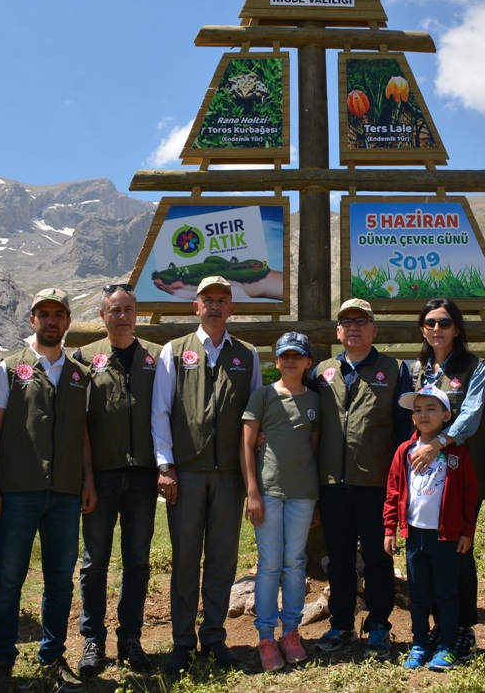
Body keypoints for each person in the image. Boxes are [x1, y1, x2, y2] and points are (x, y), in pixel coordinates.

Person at [0, 288, 96, 693]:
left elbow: (82, 432)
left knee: (59, 580)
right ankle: (2, 661)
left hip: (64, 492)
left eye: (58, 314)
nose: (51, 321)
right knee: (8, 577)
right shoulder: (9, 367)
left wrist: (87, 479)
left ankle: (52, 656)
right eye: (43, 314)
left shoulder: (80, 373)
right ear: (32, 320)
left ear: (67, 321)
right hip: (17, 490)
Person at [151, 275, 262, 674]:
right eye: (207, 300)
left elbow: (254, 416)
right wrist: (165, 466)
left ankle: (213, 635)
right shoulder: (174, 351)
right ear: (195, 307)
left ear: (232, 307)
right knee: (184, 560)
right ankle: (182, 640)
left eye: (222, 300)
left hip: (230, 476)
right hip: (187, 473)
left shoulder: (247, 355)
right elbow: (160, 412)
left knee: (221, 559)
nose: (214, 306)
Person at [313, 298, 412, 659]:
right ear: (338, 331)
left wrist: (401, 481)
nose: (353, 326)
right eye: (345, 321)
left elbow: (404, 429)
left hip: (377, 485)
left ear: (374, 329)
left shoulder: (395, 369)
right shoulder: (323, 370)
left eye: (361, 320)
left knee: (377, 558)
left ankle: (379, 626)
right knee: (338, 559)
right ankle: (341, 624)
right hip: (332, 484)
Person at [71, 283, 161, 674]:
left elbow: (168, 415)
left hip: (142, 476)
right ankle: (93, 639)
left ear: (136, 312)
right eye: (114, 309)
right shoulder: (84, 359)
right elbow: (80, 426)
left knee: (137, 561)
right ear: (102, 314)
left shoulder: (157, 358)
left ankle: (131, 637)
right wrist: (86, 477)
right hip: (101, 476)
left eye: (127, 308)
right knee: (94, 562)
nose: (121, 315)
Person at [407, 297, 485, 660]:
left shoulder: (475, 367)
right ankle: (430, 632)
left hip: (460, 473)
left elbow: (471, 415)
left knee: (458, 551)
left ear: (457, 327)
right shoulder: (417, 369)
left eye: (444, 322)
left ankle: (460, 630)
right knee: (424, 553)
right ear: (422, 329)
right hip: (422, 478)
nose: (436, 329)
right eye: (430, 323)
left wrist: (439, 443)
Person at [240, 332, 319, 672]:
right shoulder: (263, 396)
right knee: (270, 563)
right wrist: (252, 491)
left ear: (307, 362)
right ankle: (265, 637)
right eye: (284, 355)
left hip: (303, 494)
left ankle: (291, 632)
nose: (290, 361)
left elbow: (313, 449)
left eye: (297, 356)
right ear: (275, 361)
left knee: (295, 562)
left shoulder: (315, 400)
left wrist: (315, 498)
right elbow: (246, 445)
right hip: (268, 494)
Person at [384, 386, 477, 673]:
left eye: (431, 409)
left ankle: (447, 646)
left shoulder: (457, 453)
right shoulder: (404, 451)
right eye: (417, 410)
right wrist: (390, 528)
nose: (423, 415)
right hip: (414, 536)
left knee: (446, 593)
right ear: (412, 418)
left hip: (446, 537)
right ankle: (420, 643)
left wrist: (467, 531)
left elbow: (469, 494)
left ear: (447, 415)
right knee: (419, 593)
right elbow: (393, 491)